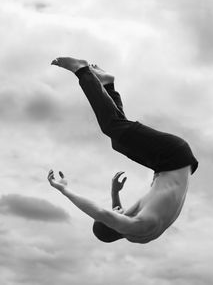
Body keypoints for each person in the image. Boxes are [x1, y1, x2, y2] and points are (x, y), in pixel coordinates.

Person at [47, 57, 198, 244]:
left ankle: (107, 84)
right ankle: (81, 70)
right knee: (111, 126)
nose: (117, 209)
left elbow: (118, 217)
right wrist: (64, 190)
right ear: (115, 224)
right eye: (114, 213)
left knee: (118, 141)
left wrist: (115, 193)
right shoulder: (138, 224)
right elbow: (102, 214)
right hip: (172, 156)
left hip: (170, 164)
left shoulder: (139, 233)